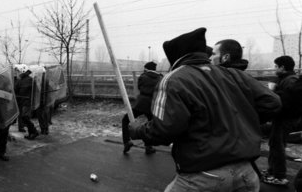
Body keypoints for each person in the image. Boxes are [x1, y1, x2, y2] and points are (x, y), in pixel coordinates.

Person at [128, 28, 281, 191]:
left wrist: (137, 130)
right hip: (246, 173)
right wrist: (244, 120)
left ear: (175, 56)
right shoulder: (233, 74)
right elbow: (273, 102)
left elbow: (164, 130)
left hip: (203, 176)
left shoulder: (174, 79)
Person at [262, 56, 299, 185]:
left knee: (278, 146)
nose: (274, 68)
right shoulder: (285, 79)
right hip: (281, 118)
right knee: (274, 144)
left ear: (282, 67)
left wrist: (273, 91)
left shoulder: (290, 80)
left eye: (276, 66)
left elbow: (288, 102)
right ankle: (272, 171)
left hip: (285, 119)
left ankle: (279, 176)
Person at [123, 61, 162, 155]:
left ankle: (127, 141)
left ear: (146, 69)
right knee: (149, 125)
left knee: (125, 120)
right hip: (152, 105)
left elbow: (140, 87)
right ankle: (148, 147)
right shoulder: (160, 78)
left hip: (141, 103)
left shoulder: (143, 76)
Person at [15, 66, 39, 140]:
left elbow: (16, 90)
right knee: (24, 117)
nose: (18, 73)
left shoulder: (25, 80)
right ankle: (32, 132)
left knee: (25, 117)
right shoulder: (27, 80)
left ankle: (33, 132)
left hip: (26, 102)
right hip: (24, 101)